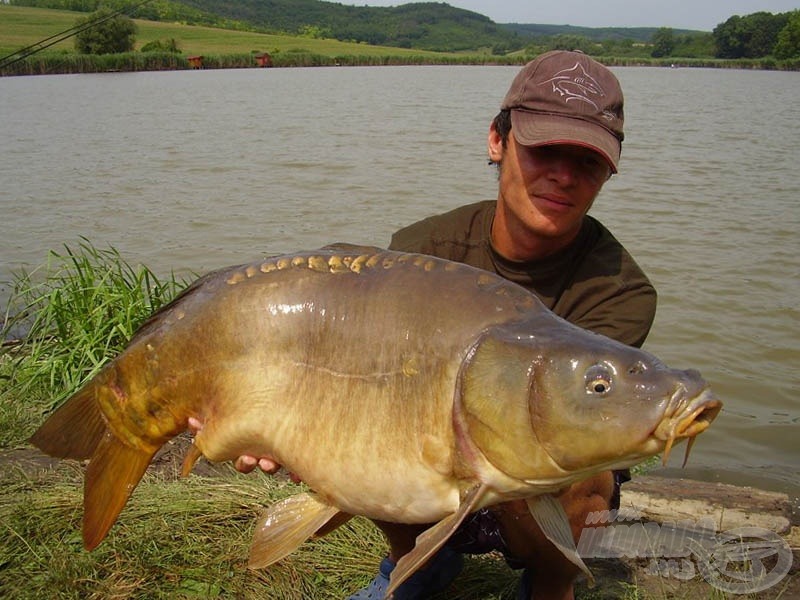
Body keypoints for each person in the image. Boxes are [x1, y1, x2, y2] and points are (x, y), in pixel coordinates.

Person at [233, 50, 657, 600]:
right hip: (433, 441)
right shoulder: (423, 249)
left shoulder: (620, 289)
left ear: (608, 170)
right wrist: (293, 431)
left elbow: (583, 421)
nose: (563, 175)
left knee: (584, 474)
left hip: (538, 463)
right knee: (377, 430)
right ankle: (416, 563)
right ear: (498, 142)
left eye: (587, 161)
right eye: (544, 149)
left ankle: (552, 586)